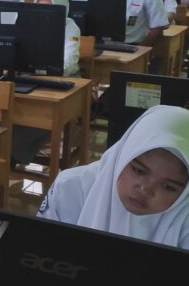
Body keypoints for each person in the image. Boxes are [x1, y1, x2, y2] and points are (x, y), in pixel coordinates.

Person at [38, 105, 189, 249]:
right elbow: (39, 248)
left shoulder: (184, 217)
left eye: (168, 187)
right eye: (139, 171)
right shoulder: (69, 187)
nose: (146, 190)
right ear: (122, 155)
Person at [11, 0, 81, 167]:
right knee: (12, 109)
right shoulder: (29, 23)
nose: (44, 13)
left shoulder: (70, 27)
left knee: (41, 116)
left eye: (50, 8)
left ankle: (12, 154)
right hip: (31, 76)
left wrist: (44, 69)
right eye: (40, 7)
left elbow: (69, 63)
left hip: (61, 80)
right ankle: (7, 152)